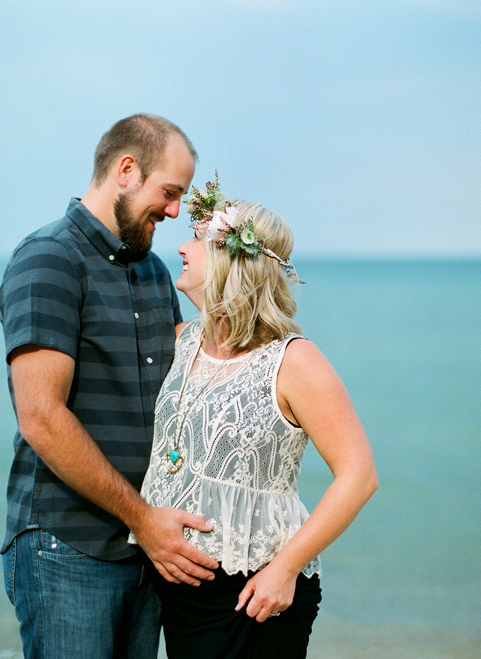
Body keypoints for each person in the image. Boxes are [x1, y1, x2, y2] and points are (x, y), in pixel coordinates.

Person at [0, 114, 221, 658]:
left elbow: (197, 379)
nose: (174, 211)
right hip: (68, 547)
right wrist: (143, 520)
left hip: (146, 551)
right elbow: (42, 417)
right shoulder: (49, 257)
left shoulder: (151, 271)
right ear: (126, 170)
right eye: (169, 193)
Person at [133, 175, 379, 658]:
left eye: (198, 239)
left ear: (230, 260)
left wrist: (285, 569)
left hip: (256, 593)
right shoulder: (181, 341)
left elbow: (359, 476)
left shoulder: (294, 360)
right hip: (177, 589)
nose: (182, 246)